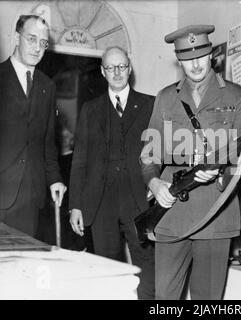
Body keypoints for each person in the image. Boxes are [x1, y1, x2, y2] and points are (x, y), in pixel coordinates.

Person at [140, 25, 241, 300]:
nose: (195, 64)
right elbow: (149, 153)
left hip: (216, 214)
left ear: (211, 55)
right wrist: (154, 181)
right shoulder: (165, 98)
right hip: (171, 213)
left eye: (200, 56)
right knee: (164, 299)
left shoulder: (235, 96)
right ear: (178, 60)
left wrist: (221, 175)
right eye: (187, 58)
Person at [68, 46, 155, 300]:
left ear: (129, 68)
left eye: (121, 66)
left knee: (146, 269)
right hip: (100, 203)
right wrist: (76, 205)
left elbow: (160, 152)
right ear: (102, 72)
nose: (116, 72)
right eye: (110, 67)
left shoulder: (150, 105)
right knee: (106, 272)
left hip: (139, 202)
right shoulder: (90, 109)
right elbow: (79, 160)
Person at [0, 15, 66, 237]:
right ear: (16, 38)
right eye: (32, 39)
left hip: (30, 197)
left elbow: (48, 143)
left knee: (24, 266)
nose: (38, 48)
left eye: (43, 43)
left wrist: (55, 178)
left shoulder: (47, 86)